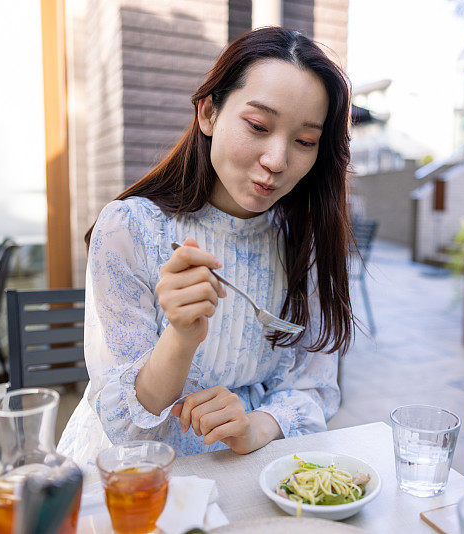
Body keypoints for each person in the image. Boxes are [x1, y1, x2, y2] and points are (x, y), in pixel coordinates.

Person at [57, 27, 354, 471]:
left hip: (245, 466)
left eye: (305, 141)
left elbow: (315, 387)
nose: (277, 159)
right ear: (209, 113)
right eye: (258, 126)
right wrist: (181, 337)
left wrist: (256, 426)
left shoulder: (302, 242)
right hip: (130, 479)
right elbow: (127, 427)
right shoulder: (129, 229)